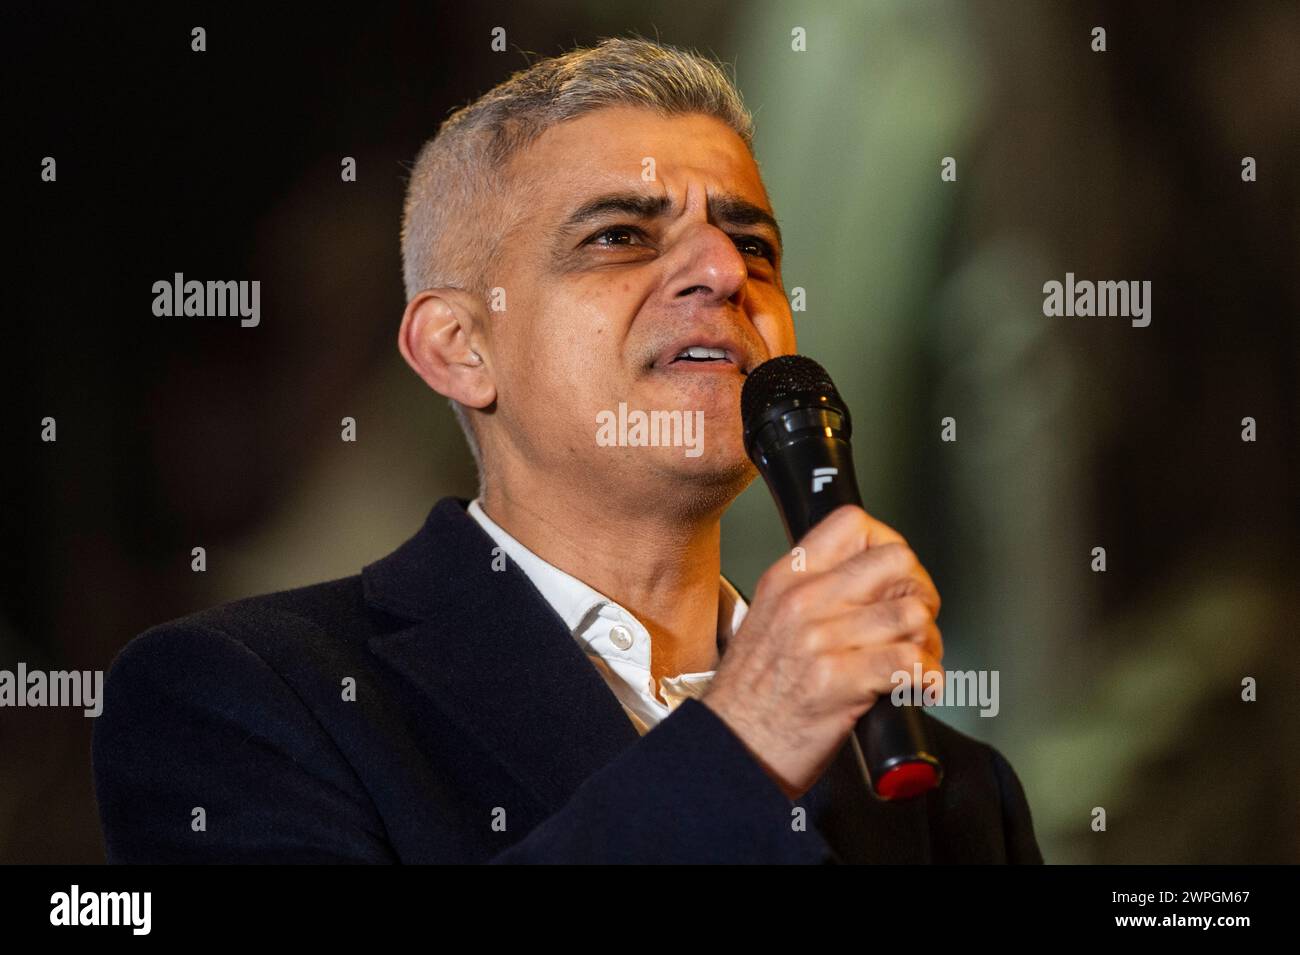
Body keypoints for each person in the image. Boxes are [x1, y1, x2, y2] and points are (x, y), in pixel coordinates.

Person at [92, 37, 1043, 864]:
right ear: (459, 348)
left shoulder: (949, 791)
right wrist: (744, 742)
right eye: (622, 235)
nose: (721, 271)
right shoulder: (247, 698)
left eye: (754, 247)